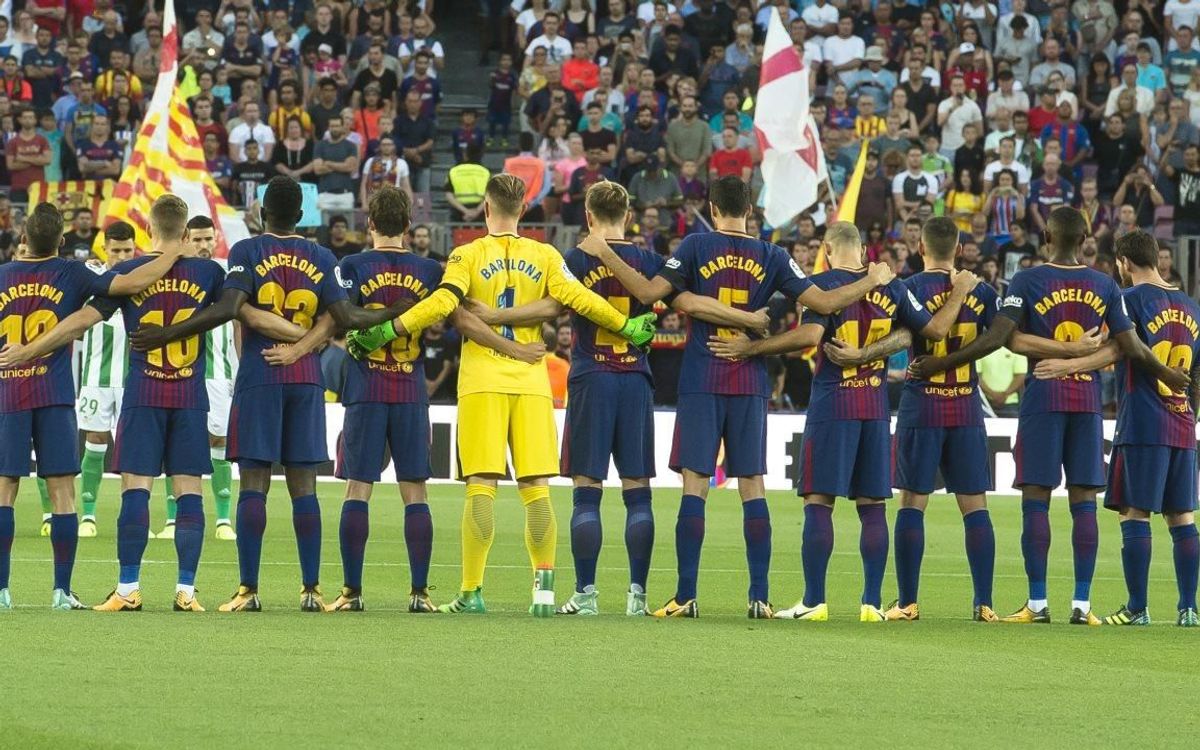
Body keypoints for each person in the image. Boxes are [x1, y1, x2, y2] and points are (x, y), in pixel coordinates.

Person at [569, 180, 896, 618]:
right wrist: (868, 279)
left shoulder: (695, 245)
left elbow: (653, 295)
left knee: (696, 485)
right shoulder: (774, 255)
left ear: (711, 207)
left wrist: (604, 252)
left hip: (703, 375)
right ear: (750, 209)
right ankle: (759, 597)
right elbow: (823, 300)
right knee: (752, 485)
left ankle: (685, 596)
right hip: (750, 379)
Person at [345, 174, 656, 616]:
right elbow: (577, 298)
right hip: (532, 380)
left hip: (482, 381)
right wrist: (625, 326)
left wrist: (389, 329)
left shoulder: (465, 255)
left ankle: (472, 591)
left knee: (481, 488)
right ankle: (544, 592)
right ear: (524, 210)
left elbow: (442, 306)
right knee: (536, 489)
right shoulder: (545, 254)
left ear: (486, 209)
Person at [473, 181, 763, 615]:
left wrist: (497, 316)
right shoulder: (650, 262)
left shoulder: (574, 258)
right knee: (637, 491)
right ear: (628, 215)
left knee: (587, 490)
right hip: (635, 380)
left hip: (591, 378)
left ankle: (586, 594)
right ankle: (637, 596)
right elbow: (674, 302)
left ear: (588, 216)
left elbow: (551, 309)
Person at [125, 177, 404, 613]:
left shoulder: (247, 252)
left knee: (254, 485)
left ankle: (248, 591)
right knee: (303, 485)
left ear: (259, 213)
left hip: (260, 374)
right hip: (307, 377)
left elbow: (227, 307)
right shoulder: (322, 255)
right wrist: (401, 310)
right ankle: (311, 590)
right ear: (300, 216)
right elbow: (346, 315)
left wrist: (166, 333)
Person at [908, 207, 1190, 625]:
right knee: (1084, 503)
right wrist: (1083, 354)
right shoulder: (1106, 284)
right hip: (1088, 403)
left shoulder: (1027, 280)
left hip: (1042, 400)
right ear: (1087, 238)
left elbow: (1003, 337)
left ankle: (1037, 604)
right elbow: (1127, 344)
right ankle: (1082, 604)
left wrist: (939, 364)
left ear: (1044, 236)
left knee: (1035, 501)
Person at [288, 186, 538, 612]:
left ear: (368, 224)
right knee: (415, 492)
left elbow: (336, 318)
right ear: (408, 225)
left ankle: (351, 592)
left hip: (366, 389)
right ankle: (420, 594)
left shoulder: (351, 264)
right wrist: (509, 342)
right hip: (410, 390)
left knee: (357, 488)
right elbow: (460, 318)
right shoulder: (429, 269)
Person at [703, 221, 965, 621]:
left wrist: (753, 348)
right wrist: (959, 292)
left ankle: (814, 602)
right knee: (873, 506)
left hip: (832, 405)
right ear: (862, 249)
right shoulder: (893, 286)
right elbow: (927, 331)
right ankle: (872, 605)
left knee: (819, 503)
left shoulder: (819, 285)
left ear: (826, 248)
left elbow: (808, 337)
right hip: (875, 408)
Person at [14, 198, 225, 612]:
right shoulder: (209, 272)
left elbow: (83, 320)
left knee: (136, 489)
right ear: (186, 234)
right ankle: (186, 591)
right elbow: (239, 310)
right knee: (188, 490)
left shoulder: (128, 272)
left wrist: (30, 349)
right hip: (189, 396)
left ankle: (128, 588)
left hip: (144, 393)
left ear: (148, 229)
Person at [1032, 231, 1200, 627]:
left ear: (1123, 262)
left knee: (1135, 515)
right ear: (1157, 259)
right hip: (1182, 422)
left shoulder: (1130, 299)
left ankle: (1138, 608)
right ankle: (1188, 609)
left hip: (1143, 422)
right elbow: (1195, 372)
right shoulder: (1192, 306)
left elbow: (1116, 349)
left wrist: (1066, 364)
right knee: (1182, 519)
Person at [69, 223, 137, 540]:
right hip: (95, 375)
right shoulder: (89, 280)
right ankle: (88, 513)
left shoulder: (144, 277)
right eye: (116, 250)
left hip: (133, 378)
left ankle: (133, 515)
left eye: (127, 250)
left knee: (133, 448)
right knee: (95, 440)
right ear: (104, 249)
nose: (122, 256)